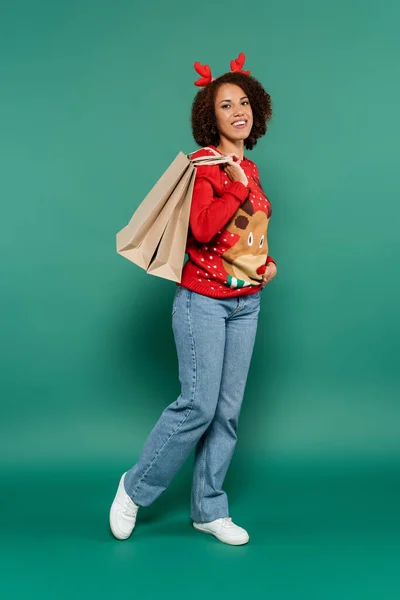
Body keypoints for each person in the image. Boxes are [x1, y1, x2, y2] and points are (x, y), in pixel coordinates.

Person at [109, 52, 278, 546]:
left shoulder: (250, 168)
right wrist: (234, 188)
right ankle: (134, 489)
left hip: (246, 303)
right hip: (202, 302)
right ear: (212, 117)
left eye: (244, 102)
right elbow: (203, 228)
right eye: (227, 105)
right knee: (197, 406)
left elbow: (249, 233)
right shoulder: (207, 167)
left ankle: (209, 508)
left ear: (256, 110)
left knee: (226, 412)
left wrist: (264, 264)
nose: (238, 111)